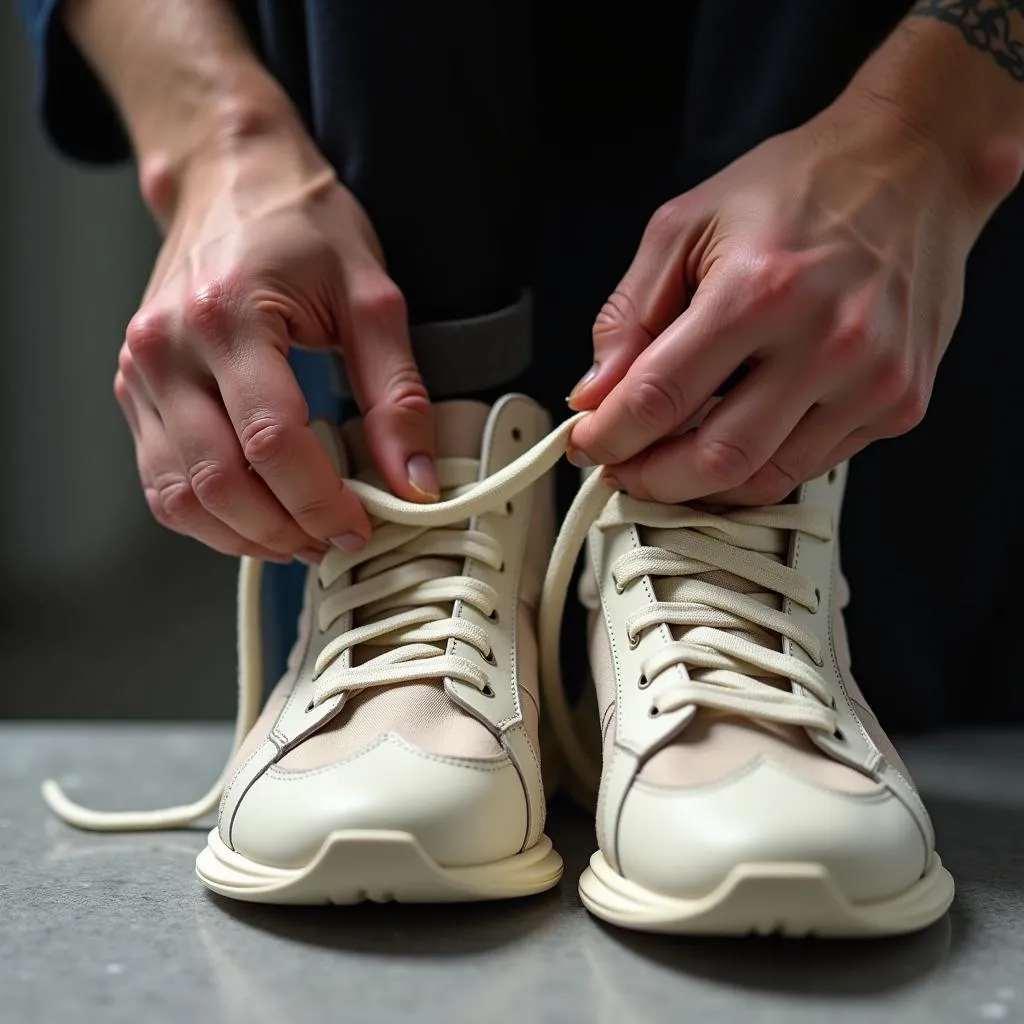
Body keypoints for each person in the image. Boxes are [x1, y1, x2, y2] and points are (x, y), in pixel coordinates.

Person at [19, 0, 1024, 934]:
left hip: (874, 273)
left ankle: (726, 555)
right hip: (352, 187)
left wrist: (928, 129)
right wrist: (209, 136)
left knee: (815, 485)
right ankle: (431, 528)